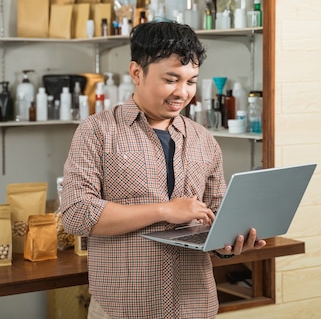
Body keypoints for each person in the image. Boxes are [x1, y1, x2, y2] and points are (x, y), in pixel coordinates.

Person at [60, 20, 266, 319]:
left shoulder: (204, 140)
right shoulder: (97, 130)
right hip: (125, 308)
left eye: (191, 81)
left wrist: (229, 244)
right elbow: (76, 214)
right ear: (136, 72)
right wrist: (163, 211)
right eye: (171, 79)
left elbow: (215, 218)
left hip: (194, 305)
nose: (182, 92)